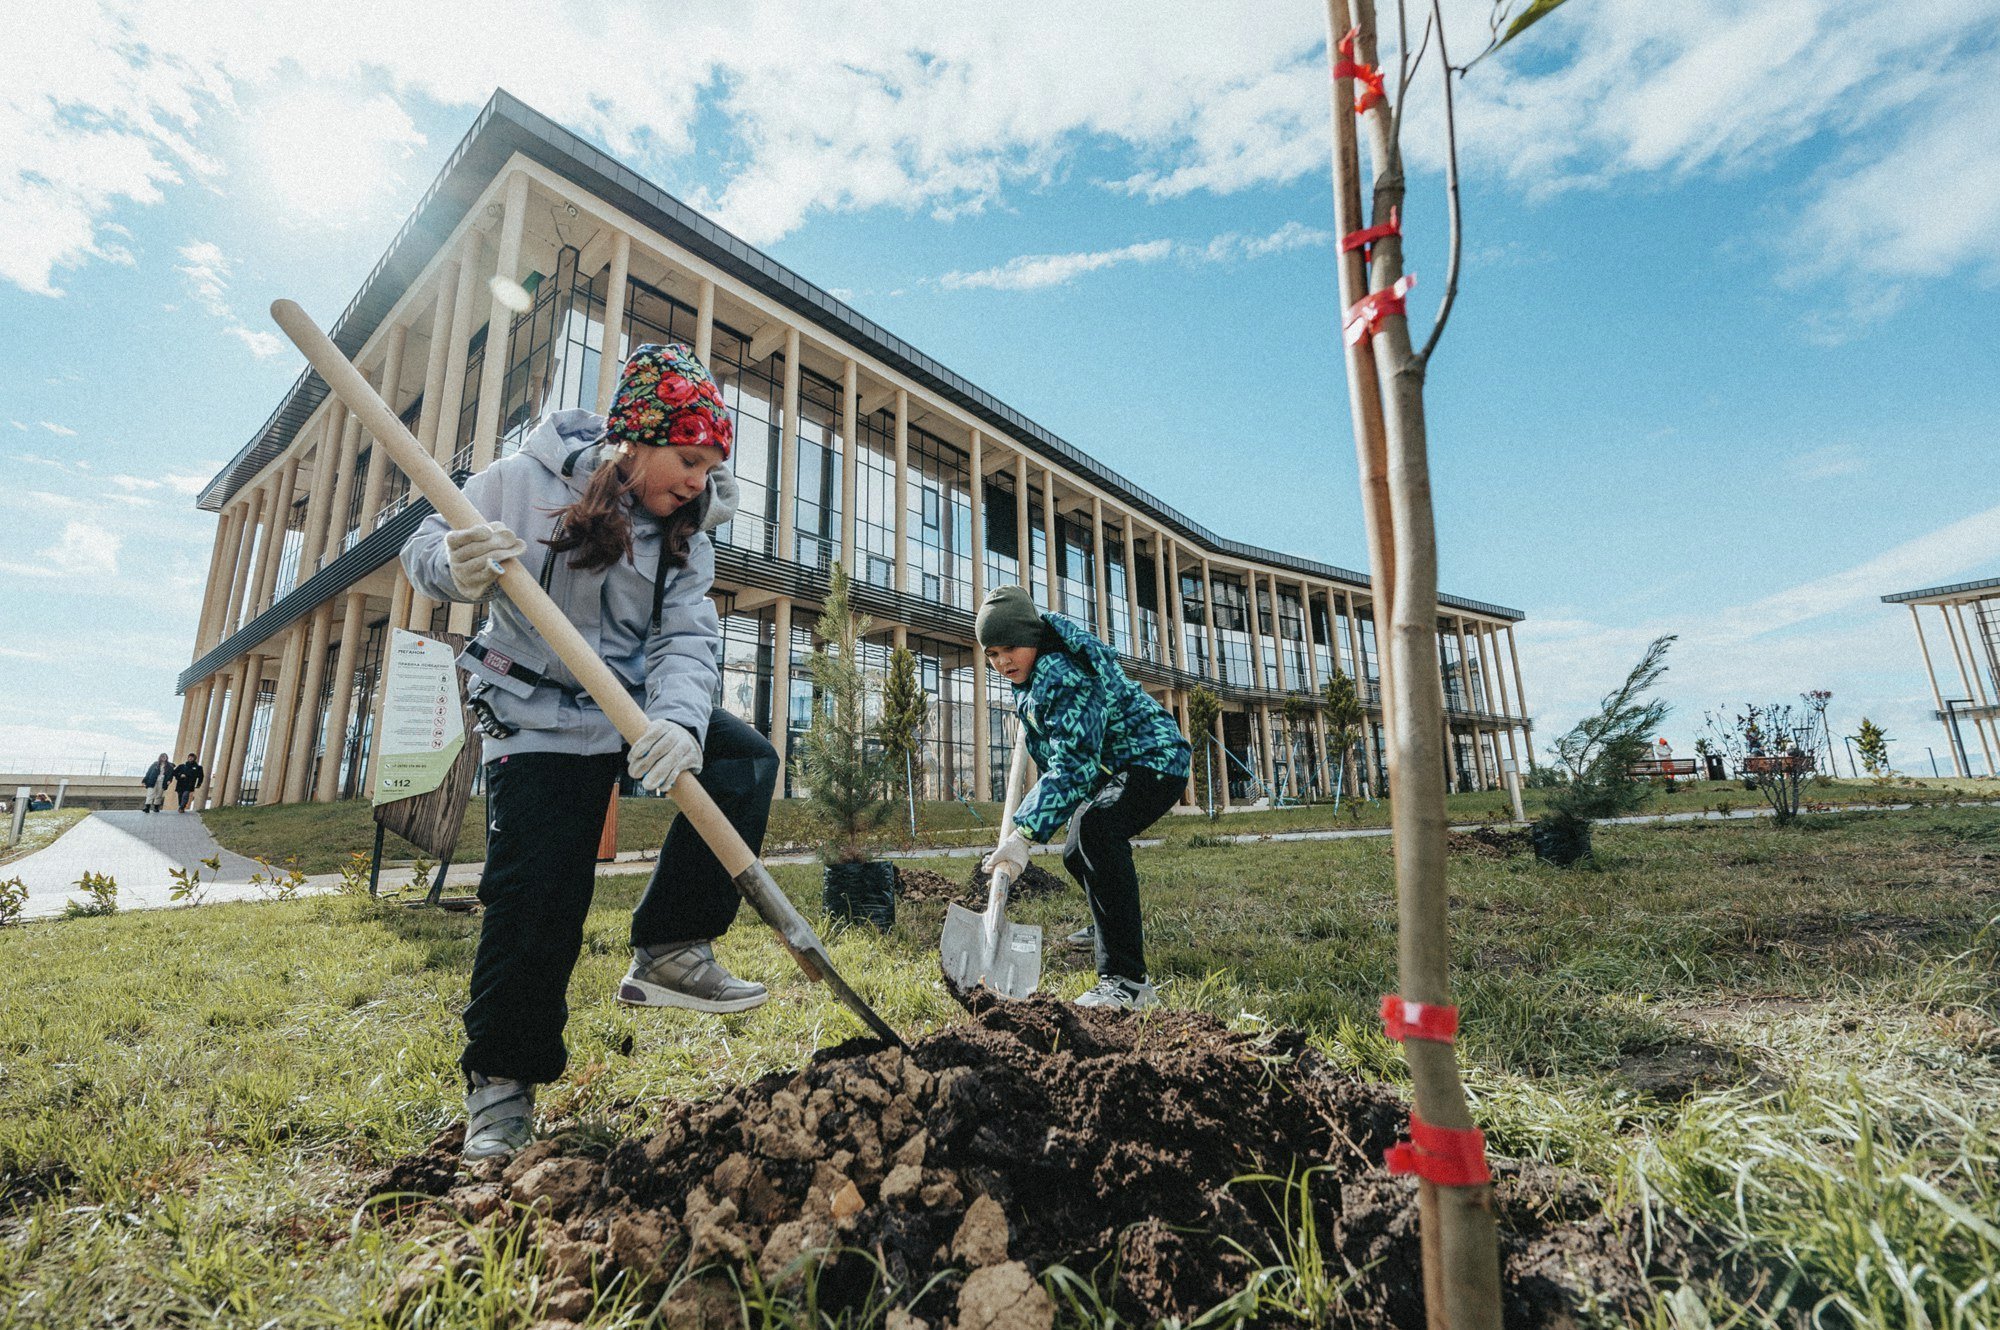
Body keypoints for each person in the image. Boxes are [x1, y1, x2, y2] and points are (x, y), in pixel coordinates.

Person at [402, 342, 778, 1162]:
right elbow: (426, 549)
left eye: (712, 466)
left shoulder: (687, 533)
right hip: (535, 715)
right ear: (635, 439)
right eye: (687, 458)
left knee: (744, 758)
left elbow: (686, 635)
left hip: (636, 711)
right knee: (538, 900)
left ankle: (671, 947)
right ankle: (501, 1092)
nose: (699, 481)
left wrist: (679, 720)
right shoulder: (517, 480)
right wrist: (453, 569)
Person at [976, 584, 1192, 1010]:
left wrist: (1023, 835)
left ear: (1032, 637)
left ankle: (1128, 982)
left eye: (1010, 649)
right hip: (1121, 764)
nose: (1002, 662)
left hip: (1156, 760)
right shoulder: (1037, 671)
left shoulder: (1065, 675)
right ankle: (1109, 923)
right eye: (991, 654)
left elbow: (1075, 765)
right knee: (1078, 850)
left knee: (1096, 831)